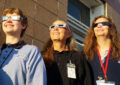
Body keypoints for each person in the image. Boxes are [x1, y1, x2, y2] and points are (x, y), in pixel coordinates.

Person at [0, 8, 46, 85]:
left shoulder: (31, 51)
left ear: (23, 25)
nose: (8, 20)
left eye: (14, 18)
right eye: (5, 18)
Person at [41, 20, 93, 85]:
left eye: (60, 26)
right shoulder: (42, 57)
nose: (55, 28)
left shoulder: (78, 58)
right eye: (52, 27)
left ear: (69, 33)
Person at [83, 15, 120, 85]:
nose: (99, 26)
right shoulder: (85, 54)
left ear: (111, 28)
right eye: (96, 25)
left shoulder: (118, 52)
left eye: (104, 23)